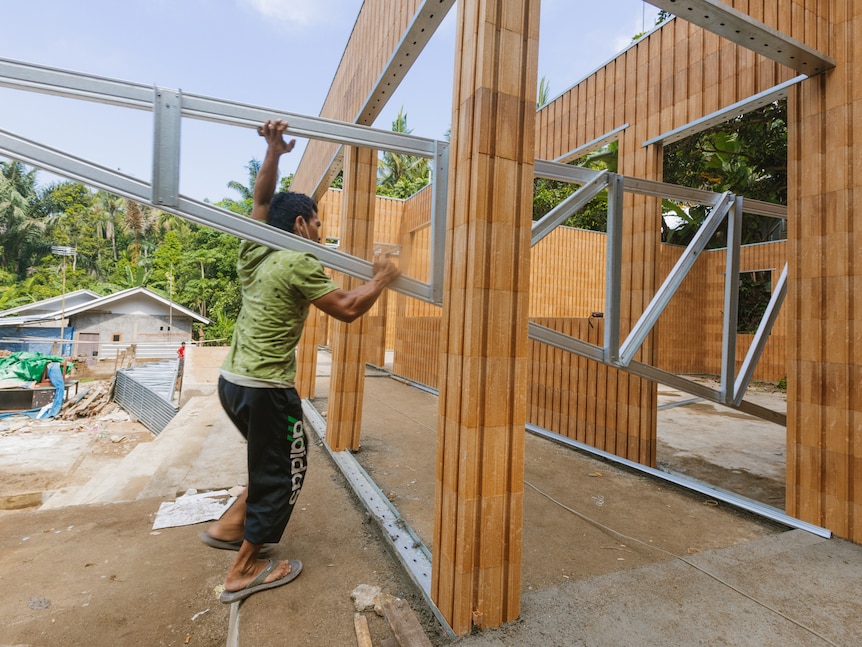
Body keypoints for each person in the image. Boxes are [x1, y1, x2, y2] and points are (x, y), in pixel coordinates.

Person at [200, 119, 401, 604]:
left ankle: (230, 527)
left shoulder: (256, 247)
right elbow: (348, 310)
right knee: (286, 469)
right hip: (267, 388)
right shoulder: (299, 260)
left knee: (267, 460)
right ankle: (243, 569)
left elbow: (262, 201)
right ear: (300, 225)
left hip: (233, 384)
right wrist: (382, 277)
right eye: (317, 225)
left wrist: (273, 152)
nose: (319, 234)